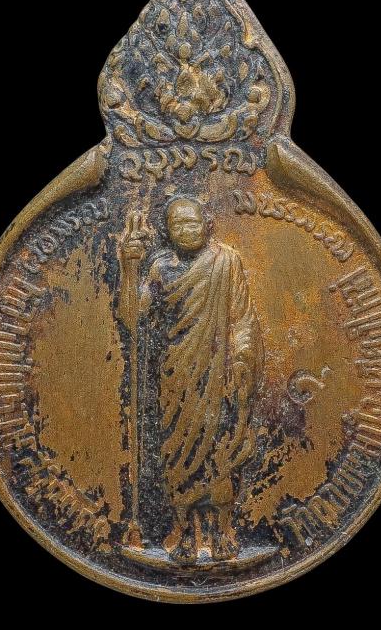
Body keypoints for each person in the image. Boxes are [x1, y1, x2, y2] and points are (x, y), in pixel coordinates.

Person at [118, 196, 264, 562]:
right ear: (167, 232)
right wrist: (129, 266)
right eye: (176, 225)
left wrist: (241, 362)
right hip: (177, 376)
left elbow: (243, 318)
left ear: (208, 224)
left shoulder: (226, 261)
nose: (185, 230)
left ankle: (223, 530)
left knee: (221, 450)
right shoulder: (161, 268)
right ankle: (183, 531)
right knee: (177, 454)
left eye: (192, 222)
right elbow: (133, 317)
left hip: (221, 375)